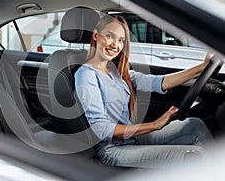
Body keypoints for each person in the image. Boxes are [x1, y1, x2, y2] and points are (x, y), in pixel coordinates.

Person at [74, 15, 214, 168]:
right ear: (96, 35)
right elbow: (100, 129)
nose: (115, 45)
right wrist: (154, 125)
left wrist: (202, 67)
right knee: (196, 155)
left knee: (194, 125)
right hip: (111, 149)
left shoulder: (117, 72)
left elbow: (158, 82)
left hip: (130, 139)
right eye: (109, 36)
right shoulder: (87, 74)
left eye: (121, 40)